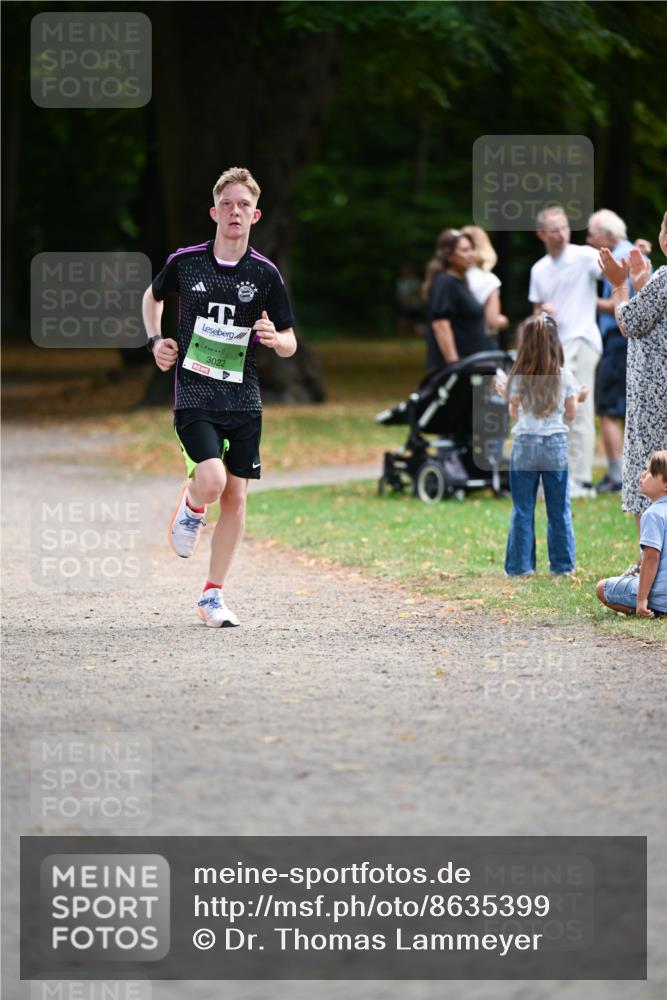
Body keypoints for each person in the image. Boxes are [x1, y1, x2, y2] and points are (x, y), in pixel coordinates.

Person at [142, 166, 297, 627]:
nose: (235, 212)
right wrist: (156, 341)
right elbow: (152, 298)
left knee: (237, 498)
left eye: (244, 205)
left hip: (244, 398)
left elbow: (290, 343)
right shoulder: (187, 262)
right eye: (227, 204)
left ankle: (212, 596)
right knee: (211, 481)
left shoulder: (266, 274)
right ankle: (191, 507)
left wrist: (274, 338)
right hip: (194, 390)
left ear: (256, 214)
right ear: (214, 211)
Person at [597, 210, 667, 565]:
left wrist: (618, 284)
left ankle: (650, 567)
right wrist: (642, 285)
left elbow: (628, 321)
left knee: (651, 476)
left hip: (655, 398)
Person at [529, 205, 602, 498]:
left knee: (580, 406)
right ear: (541, 234)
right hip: (555, 346)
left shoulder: (584, 256)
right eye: (554, 229)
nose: (561, 234)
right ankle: (562, 475)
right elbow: (535, 311)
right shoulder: (539, 269)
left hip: (582, 339)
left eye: (564, 227)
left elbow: (611, 270)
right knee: (555, 410)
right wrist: (542, 312)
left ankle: (582, 480)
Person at [504, 312, 582, 577]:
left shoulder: (517, 377)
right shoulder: (565, 375)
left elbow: (514, 412)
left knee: (523, 508)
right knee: (559, 509)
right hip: (555, 445)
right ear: (555, 343)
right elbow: (571, 414)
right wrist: (576, 398)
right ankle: (562, 566)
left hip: (525, 444)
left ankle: (520, 567)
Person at [586, 209, 634, 493]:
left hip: (618, 339)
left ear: (607, 234)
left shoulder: (620, 258)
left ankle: (617, 475)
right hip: (623, 340)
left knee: (608, 407)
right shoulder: (630, 251)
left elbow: (622, 303)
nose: (590, 238)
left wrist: (587, 300)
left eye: (593, 233)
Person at [596, 451, 667, 618]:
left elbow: (651, 557)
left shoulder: (653, 514)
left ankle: (650, 610)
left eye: (650, 472)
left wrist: (641, 599)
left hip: (660, 596)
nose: (643, 474)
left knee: (602, 588)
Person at [422, 229, 498, 370]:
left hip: (472, 365)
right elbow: (440, 325)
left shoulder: (461, 282)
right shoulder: (445, 283)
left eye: (471, 250)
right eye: (464, 251)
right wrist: (454, 365)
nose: (470, 255)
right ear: (449, 256)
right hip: (459, 368)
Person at [461, 225, 509, 340]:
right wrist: (504, 321)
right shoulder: (488, 280)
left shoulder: (450, 278)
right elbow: (492, 322)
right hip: (482, 342)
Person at [395, 262, 423, 338]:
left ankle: (417, 337)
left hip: (414, 305)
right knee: (402, 322)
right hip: (403, 305)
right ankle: (403, 338)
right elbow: (397, 292)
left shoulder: (415, 280)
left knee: (414, 324)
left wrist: (409, 298)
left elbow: (417, 292)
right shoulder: (400, 281)